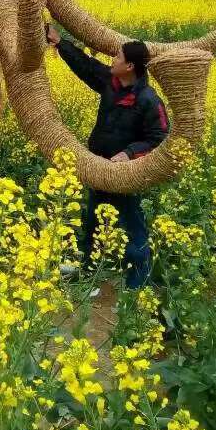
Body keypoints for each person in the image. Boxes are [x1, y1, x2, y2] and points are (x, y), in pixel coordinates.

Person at [46, 25, 170, 288]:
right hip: (99, 167)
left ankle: (138, 284)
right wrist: (60, 43)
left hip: (125, 176)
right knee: (92, 222)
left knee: (131, 224)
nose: (113, 60)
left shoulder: (148, 100)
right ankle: (89, 273)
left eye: (118, 58)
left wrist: (129, 154)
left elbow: (159, 138)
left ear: (130, 67)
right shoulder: (112, 84)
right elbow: (86, 66)